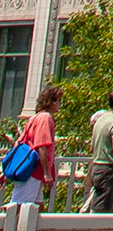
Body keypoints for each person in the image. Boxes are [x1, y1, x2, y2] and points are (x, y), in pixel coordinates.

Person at [6, 82, 59, 231]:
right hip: (33, 171)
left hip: (30, 171)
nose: (59, 104)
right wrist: (47, 174)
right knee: (21, 207)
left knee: (37, 208)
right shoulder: (45, 118)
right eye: (58, 100)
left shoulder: (34, 118)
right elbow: (41, 146)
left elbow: (19, 142)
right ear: (51, 101)